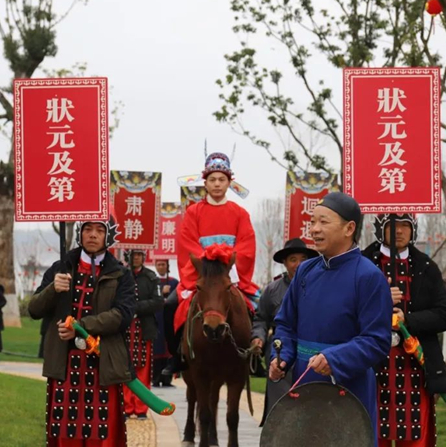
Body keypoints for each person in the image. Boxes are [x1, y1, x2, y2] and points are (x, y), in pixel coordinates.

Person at [269, 192, 393, 443]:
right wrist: (281, 357)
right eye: (312, 222)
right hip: (304, 382)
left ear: (349, 228)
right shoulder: (306, 270)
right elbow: (285, 323)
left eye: (323, 222)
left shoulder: (368, 276)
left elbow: (377, 340)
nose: (314, 230)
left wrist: (335, 358)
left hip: (349, 386)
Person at [29, 218, 136, 446]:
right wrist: (52, 289)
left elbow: (123, 315)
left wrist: (80, 326)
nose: (93, 235)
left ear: (108, 236)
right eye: (88, 229)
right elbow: (34, 309)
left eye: (99, 230)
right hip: (64, 360)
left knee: (101, 435)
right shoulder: (60, 268)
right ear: (80, 233)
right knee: (65, 433)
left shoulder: (121, 274)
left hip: (102, 360)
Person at [164, 152, 259, 375]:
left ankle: (255, 355)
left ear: (229, 182)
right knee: (169, 306)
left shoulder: (240, 214)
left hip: (230, 275)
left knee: (258, 307)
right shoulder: (193, 212)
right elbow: (188, 245)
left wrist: (225, 260)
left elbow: (246, 247)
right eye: (212, 179)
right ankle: (177, 355)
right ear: (204, 182)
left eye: (222, 179)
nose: (217, 184)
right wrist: (210, 261)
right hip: (202, 276)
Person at [362, 214, 446, 446]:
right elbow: (346, 310)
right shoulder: (361, 263)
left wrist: (409, 320)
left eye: (405, 225)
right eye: (392, 225)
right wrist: (379, 299)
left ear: (413, 229)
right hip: (371, 363)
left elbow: (445, 315)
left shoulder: (426, 266)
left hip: (415, 365)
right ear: (379, 228)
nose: (399, 231)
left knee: (414, 436)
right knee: (368, 432)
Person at [252, 237, 318, 425]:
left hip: (311, 353)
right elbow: (260, 319)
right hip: (279, 353)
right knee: (280, 407)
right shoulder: (272, 290)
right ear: (285, 263)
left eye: (303, 259)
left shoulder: (319, 286)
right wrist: (258, 337)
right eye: (293, 259)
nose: (298, 264)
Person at [123, 250, 163, 419]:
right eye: (133, 254)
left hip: (144, 328)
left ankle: (140, 407)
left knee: (143, 369)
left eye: (139, 254)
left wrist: (136, 308)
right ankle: (125, 406)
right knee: (124, 367)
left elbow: (158, 301)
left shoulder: (151, 277)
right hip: (124, 328)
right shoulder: (121, 275)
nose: (136, 257)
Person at [153, 259, 178, 387]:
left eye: (163, 264)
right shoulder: (152, 281)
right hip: (157, 318)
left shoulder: (174, 282)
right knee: (156, 348)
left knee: (168, 347)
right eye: (159, 264)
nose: (161, 266)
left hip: (169, 318)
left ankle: (167, 379)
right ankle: (156, 378)